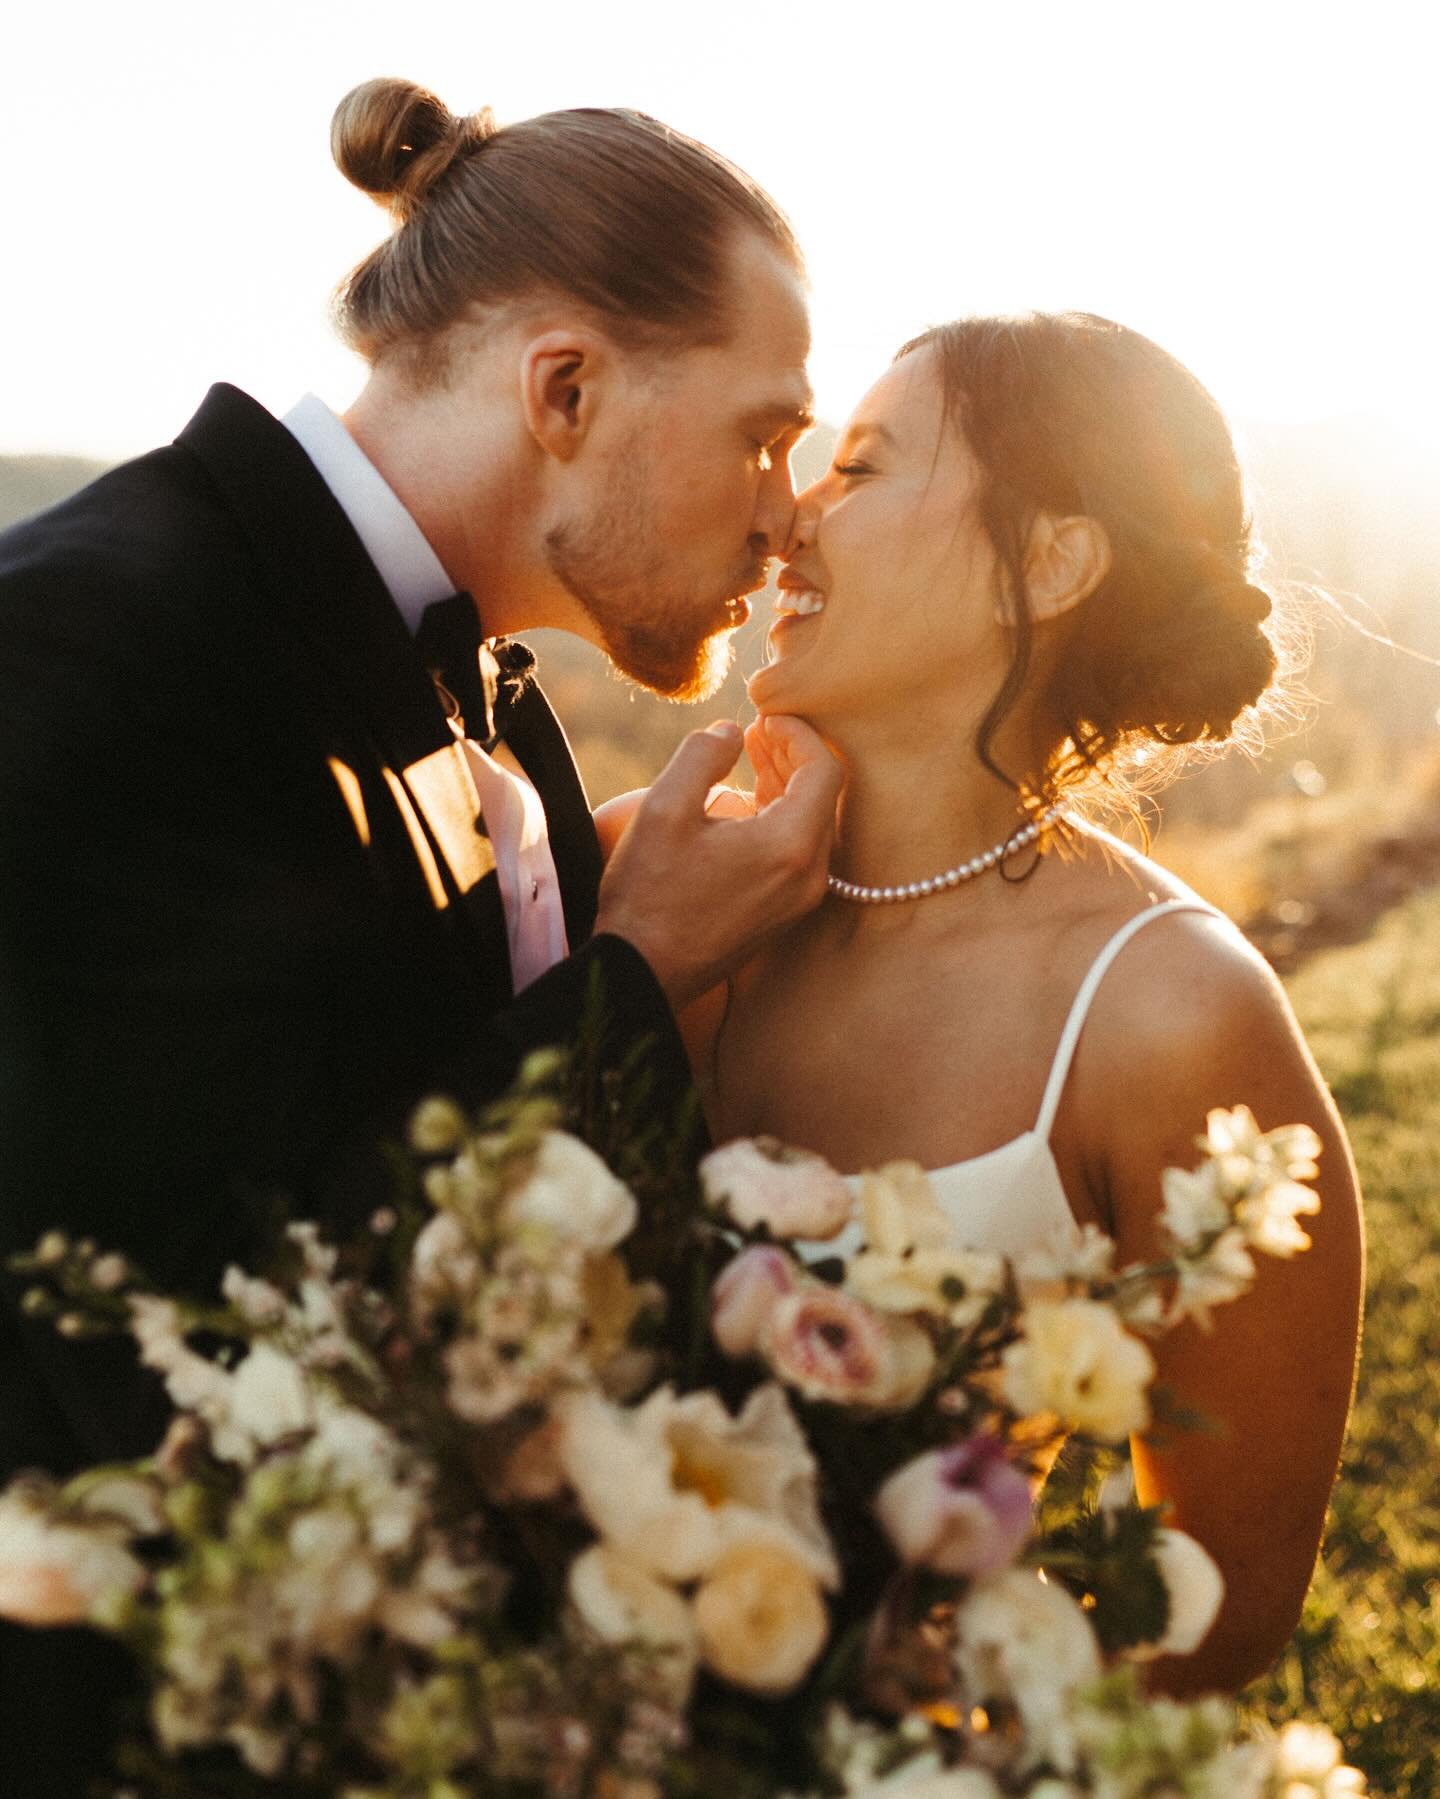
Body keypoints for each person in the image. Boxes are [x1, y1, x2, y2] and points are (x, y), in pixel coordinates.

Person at [0, 80, 840, 1792]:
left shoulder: (485, 693)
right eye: (763, 434)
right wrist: (634, 977)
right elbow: (207, 1321)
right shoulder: (94, 644)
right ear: (566, 388)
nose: (784, 511)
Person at [609, 312, 1365, 1700]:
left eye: (863, 469)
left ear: (1050, 561)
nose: (792, 526)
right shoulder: (640, 877)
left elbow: (1222, 1615)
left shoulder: (1170, 1017)